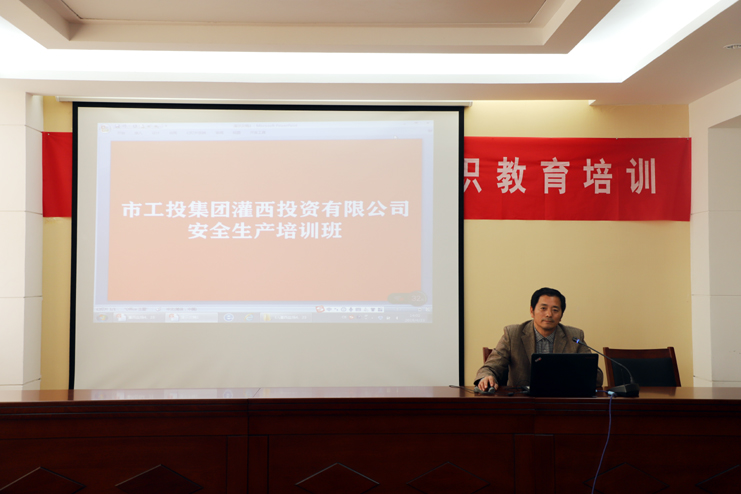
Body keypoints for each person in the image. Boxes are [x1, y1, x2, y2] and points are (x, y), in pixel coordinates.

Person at [475, 287, 603, 391]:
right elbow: (489, 368)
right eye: (543, 308)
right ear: (532, 311)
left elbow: (596, 376)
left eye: (555, 310)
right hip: (522, 403)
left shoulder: (574, 336)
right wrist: (487, 377)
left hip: (561, 402)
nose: (549, 314)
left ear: (561, 316)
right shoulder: (513, 334)